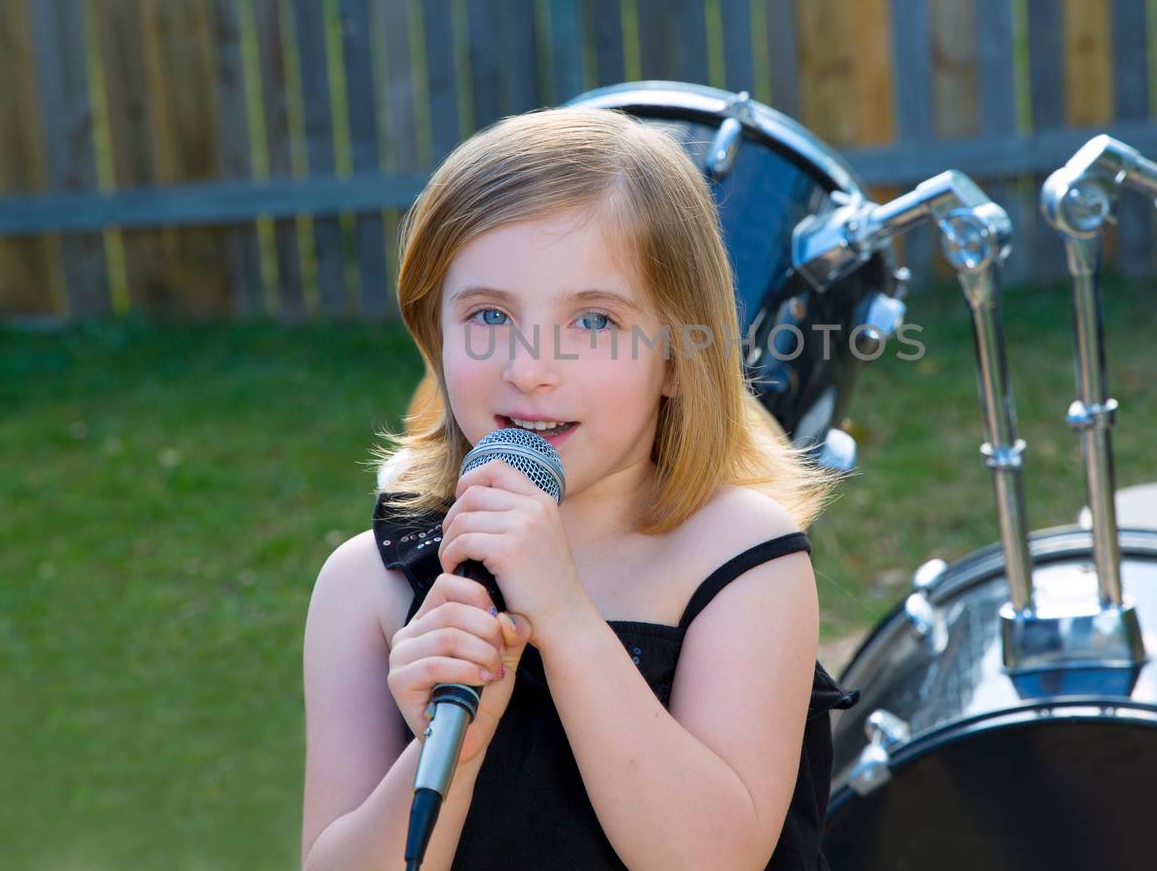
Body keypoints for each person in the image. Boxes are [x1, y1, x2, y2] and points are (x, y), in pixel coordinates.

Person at [301, 107, 859, 869]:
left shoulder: (742, 556)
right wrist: (450, 751)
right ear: (435, 336)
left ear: (675, 357)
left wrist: (563, 615)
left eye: (594, 321)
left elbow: (713, 857)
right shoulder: (366, 586)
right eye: (490, 314)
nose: (531, 366)